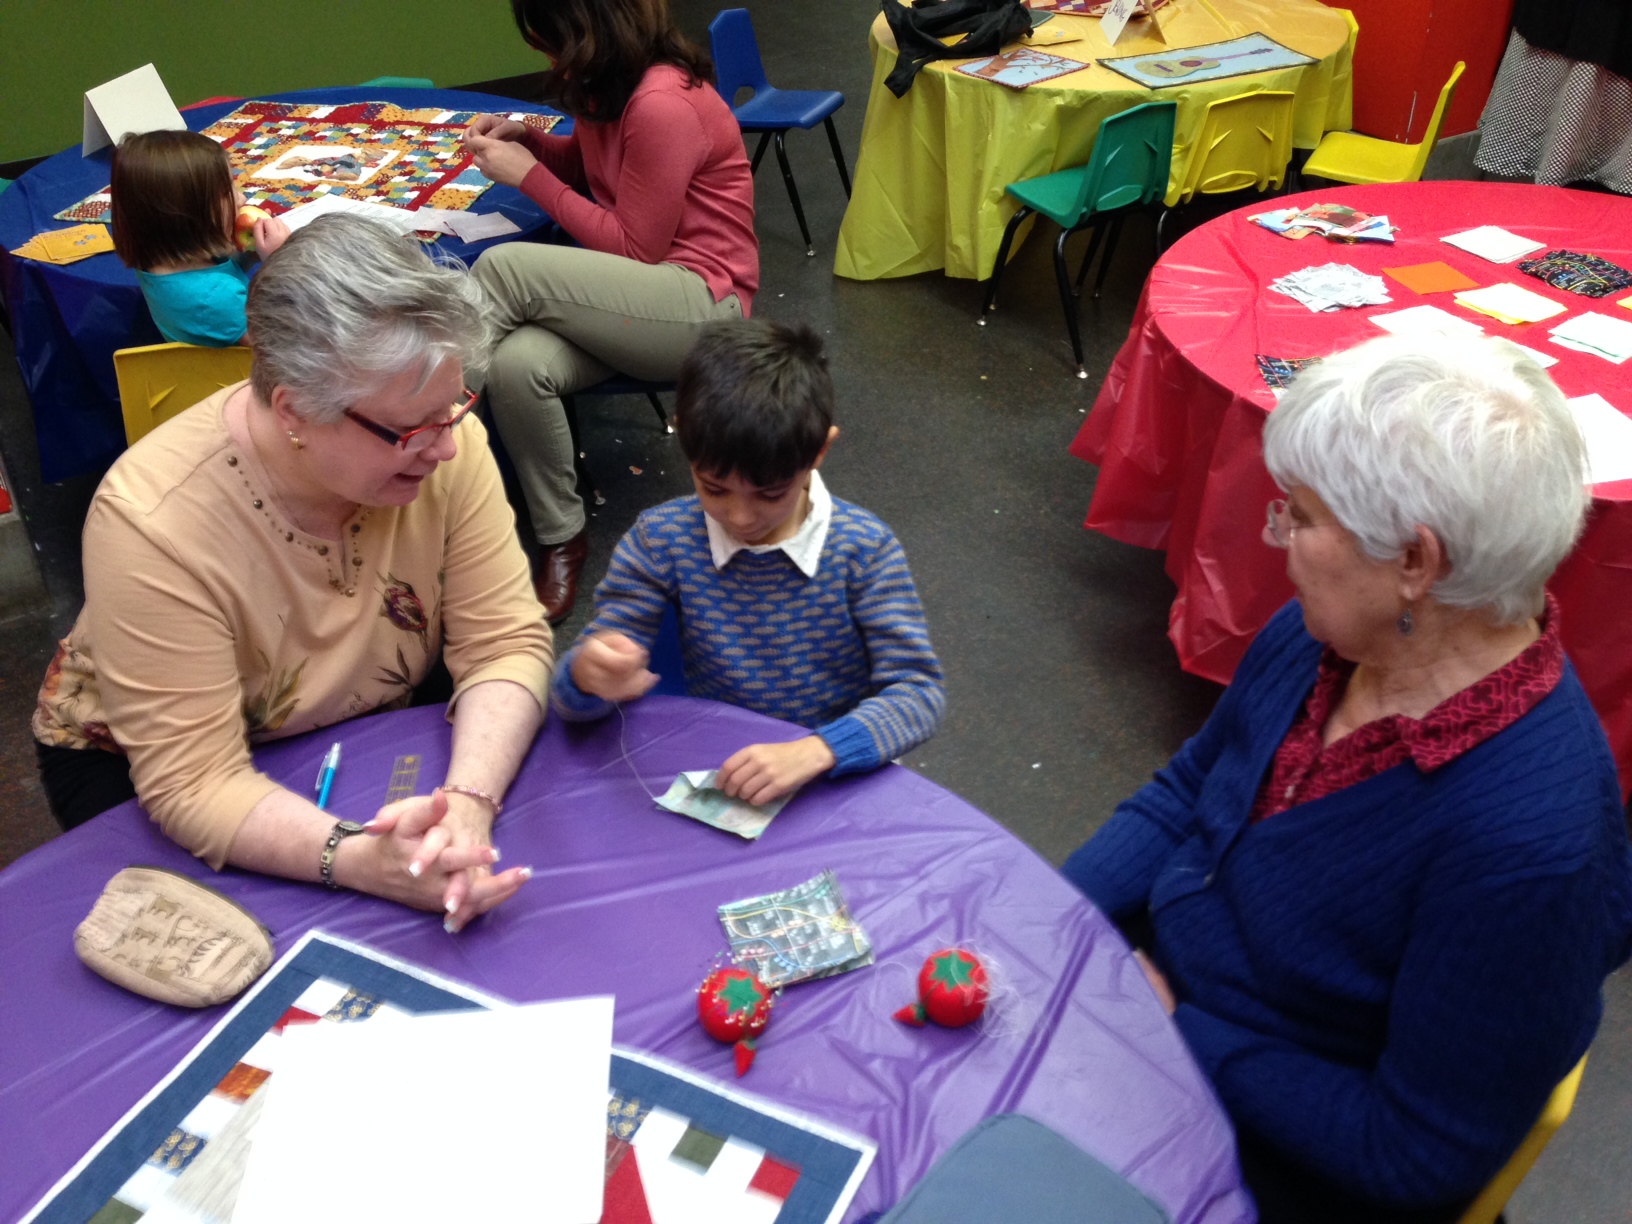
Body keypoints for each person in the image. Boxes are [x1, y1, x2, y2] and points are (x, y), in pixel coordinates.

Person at [1061, 334, 1632, 1223]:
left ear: (1416, 562)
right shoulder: (1324, 638)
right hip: (1167, 1001)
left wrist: (1175, 1028)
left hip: (1279, 1143)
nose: (1277, 536)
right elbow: (1189, 795)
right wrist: (1046, 914)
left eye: (1302, 515)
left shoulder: (1529, 847)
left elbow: (1409, 1156)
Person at [34, 215, 550, 933]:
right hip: (145, 765)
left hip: (362, 703)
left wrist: (467, 801)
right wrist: (360, 859)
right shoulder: (152, 521)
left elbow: (502, 643)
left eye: (454, 408)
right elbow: (196, 781)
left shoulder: (440, 434)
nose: (447, 449)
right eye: (411, 430)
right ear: (296, 410)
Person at [551, 319, 944, 805]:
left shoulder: (864, 550)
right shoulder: (661, 539)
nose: (739, 517)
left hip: (831, 774)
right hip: (721, 771)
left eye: (770, 493)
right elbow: (576, 695)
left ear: (819, 450)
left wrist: (817, 749)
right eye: (713, 488)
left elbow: (918, 694)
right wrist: (588, 676)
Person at [463, 0, 759, 624]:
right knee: (518, 366)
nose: (545, 55)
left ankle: (426, 441)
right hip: (642, 299)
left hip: (699, 303)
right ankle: (560, 537)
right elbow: (600, 167)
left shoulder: (660, 102)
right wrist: (537, 146)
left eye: (549, 39)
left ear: (586, 30)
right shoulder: (614, 84)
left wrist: (528, 178)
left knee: (499, 270)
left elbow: (635, 246)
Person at [110, 128, 290, 347]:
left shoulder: (157, 264)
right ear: (189, 216)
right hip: (253, 375)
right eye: (226, 193)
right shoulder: (216, 298)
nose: (241, 198)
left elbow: (214, 275)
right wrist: (281, 262)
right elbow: (287, 343)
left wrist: (249, 254)